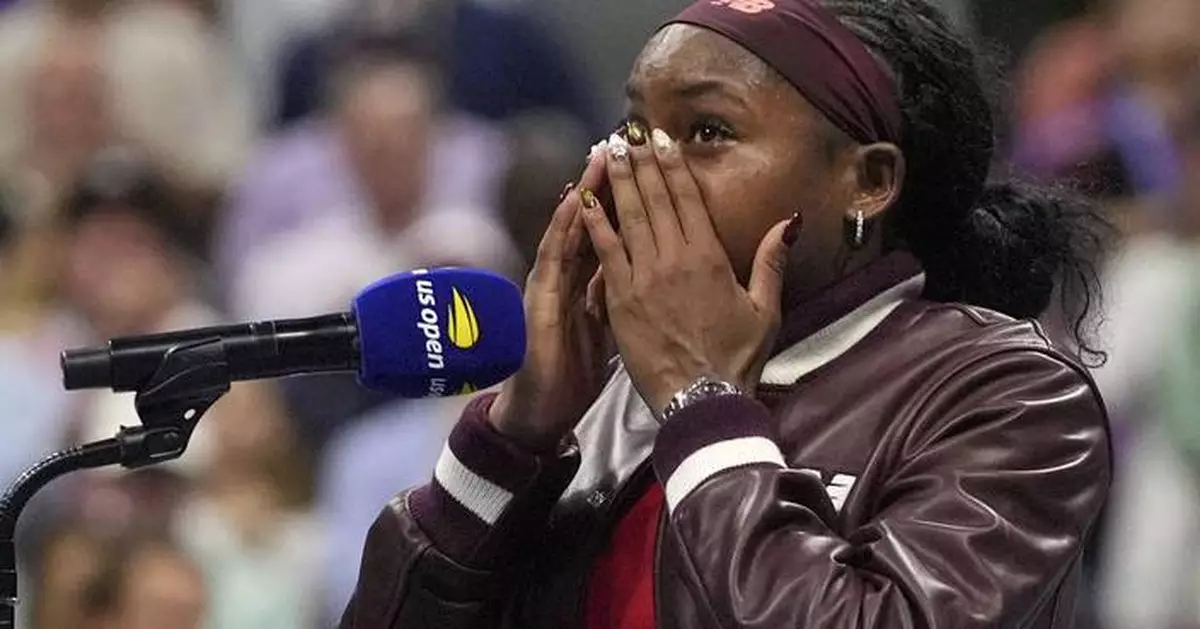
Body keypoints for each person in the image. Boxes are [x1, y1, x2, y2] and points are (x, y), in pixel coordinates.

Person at [340, 1, 1113, 627]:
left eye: (707, 131)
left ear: (869, 181)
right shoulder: (605, 395)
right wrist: (511, 439)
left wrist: (704, 407)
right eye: (634, 130)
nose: (636, 165)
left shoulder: (1007, 393)